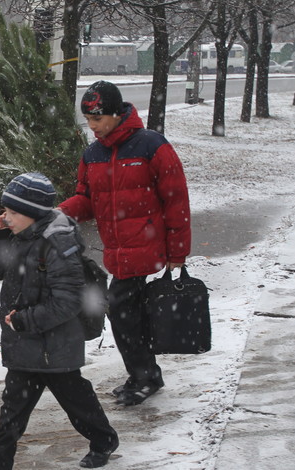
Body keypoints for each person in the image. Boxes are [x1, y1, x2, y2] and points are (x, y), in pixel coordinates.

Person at [0, 172, 118, 470]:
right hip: (26, 343)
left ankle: (104, 440)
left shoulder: (56, 243)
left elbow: (67, 301)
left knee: (76, 401)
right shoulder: (25, 235)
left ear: (34, 214)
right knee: (12, 413)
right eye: (5, 211)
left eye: (13, 213)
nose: (6, 217)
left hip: (54, 345)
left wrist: (25, 320)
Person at [59, 80, 191, 406]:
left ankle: (145, 376)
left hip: (146, 246)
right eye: (88, 119)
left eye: (97, 119)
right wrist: (55, 214)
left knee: (121, 310)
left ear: (117, 114)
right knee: (131, 315)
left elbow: (176, 201)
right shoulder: (92, 154)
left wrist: (178, 252)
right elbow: (86, 200)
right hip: (117, 251)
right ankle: (144, 374)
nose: (92, 126)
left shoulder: (151, 146)